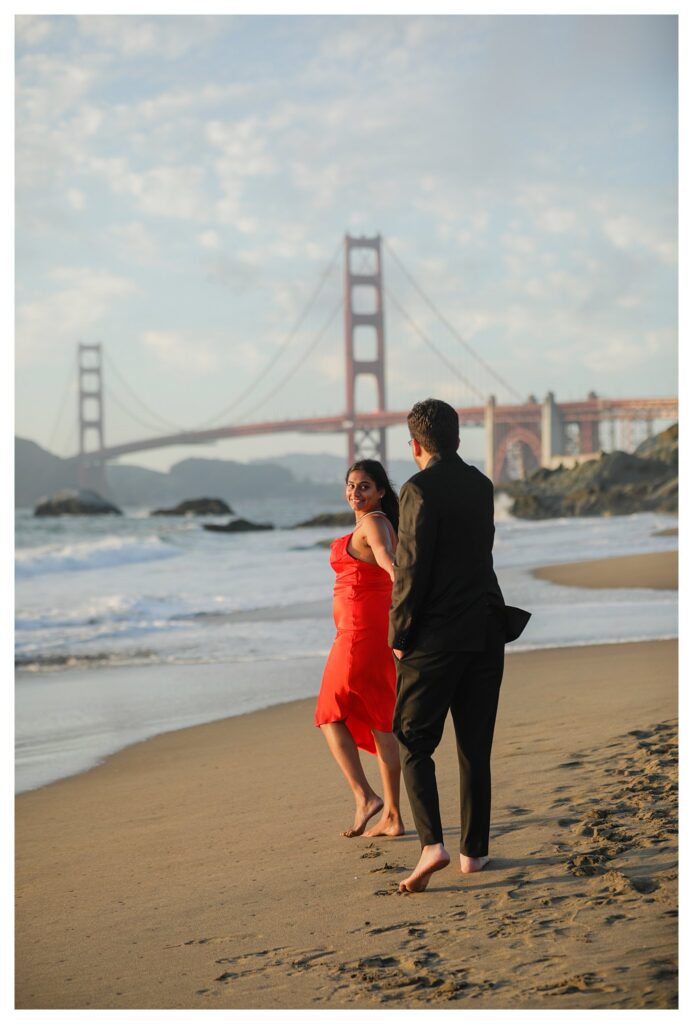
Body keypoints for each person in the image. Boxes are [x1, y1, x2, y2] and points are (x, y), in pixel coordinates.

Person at [389, 398, 530, 893]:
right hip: (485, 628)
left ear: (415, 445)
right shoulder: (481, 485)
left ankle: (432, 844)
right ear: (458, 439)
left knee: (411, 737)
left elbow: (410, 570)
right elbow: (478, 554)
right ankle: (475, 852)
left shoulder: (417, 489)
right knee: (475, 745)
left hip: (436, 636)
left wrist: (399, 635)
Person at [315, 459, 405, 839]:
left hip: (358, 637)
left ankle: (366, 798)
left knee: (329, 713)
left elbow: (389, 563)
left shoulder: (372, 523)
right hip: (363, 633)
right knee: (379, 718)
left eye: (365, 486)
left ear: (381, 491)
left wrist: (403, 587)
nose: (356, 492)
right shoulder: (376, 522)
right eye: (351, 486)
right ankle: (394, 816)